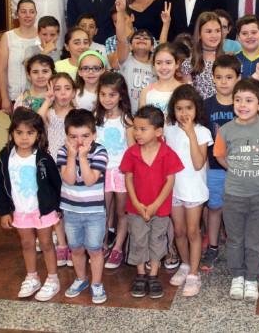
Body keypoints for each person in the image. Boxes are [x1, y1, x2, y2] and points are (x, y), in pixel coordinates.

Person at [213, 78, 259, 303]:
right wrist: (235, 168)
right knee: (235, 239)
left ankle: (252, 278)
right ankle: (237, 276)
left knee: (254, 239)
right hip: (234, 194)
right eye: (238, 99)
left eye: (249, 100)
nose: (243, 104)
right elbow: (219, 155)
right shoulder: (227, 130)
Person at [0, 108, 62, 301]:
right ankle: (32, 277)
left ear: (38, 134)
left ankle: (53, 279)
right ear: (12, 133)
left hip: (43, 210)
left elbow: (56, 184)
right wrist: (4, 212)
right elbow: (0, 186)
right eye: (19, 133)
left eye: (30, 133)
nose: (24, 137)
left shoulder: (43, 158)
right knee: (27, 243)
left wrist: (58, 207)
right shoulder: (5, 157)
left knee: (47, 244)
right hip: (20, 211)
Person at [119, 105, 184, 299]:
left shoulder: (167, 153)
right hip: (136, 207)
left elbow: (170, 181)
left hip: (160, 208)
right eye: (135, 129)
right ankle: (140, 274)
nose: (137, 133)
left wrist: (155, 205)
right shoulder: (131, 153)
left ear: (158, 131)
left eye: (142, 129)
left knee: (157, 240)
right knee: (138, 239)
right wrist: (137, 204)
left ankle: (154, 275)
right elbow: (128, 179)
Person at [165, 85, 213, 297]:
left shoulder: (202, 132)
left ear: (197, 109)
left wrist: (192, 134)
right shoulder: (168, 129)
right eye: (179, 108)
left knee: (193, 232)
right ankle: (185, 265)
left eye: (188, 108)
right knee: (179, 231)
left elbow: (197, 163)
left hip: (194, 189)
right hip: (174, 188)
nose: (184, 113)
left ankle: (194, 274)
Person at [57, 109, 109, 304]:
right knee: (76, 249)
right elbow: (69, 179)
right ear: (66, 137)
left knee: (94, 250)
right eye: (73, 137)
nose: (79, 142)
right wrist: (72, 157)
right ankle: (81, 279)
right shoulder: (63, 152)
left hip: (94, 212)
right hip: (71, 211)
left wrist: (83, 157)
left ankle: (96, 283)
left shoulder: (100, 151)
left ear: (94, 135)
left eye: (85, 136)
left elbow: (89, 180)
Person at [200, 55, 241, 270]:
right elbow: (202, 139)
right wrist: (205, 166)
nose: (224, 81)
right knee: (215, 208)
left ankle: (237, 248)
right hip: (214, 168)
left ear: (238, 78)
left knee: (236, 210)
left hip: (241, 168)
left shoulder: (243, 105)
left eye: (229, 77)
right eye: (219, 77)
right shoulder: (205, 105)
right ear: (212, 78)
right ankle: (213, 247)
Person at [94, 72, 134, 269]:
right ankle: (102, 244)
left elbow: (133, 149)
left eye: (112, 94)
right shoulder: (96, 118)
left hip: (121, 172)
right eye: (103, 94)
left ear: (121, 96)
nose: (107, 99)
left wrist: (129, 173)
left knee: (121, 211)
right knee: (103, 210)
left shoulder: (127, 120)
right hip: (101, 172)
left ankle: (118, 247)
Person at [38, 72, 76, 266]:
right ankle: (62, 245)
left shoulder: (76, 114)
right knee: (56, 208)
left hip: (70, 165)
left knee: (69, 206)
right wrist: (47, 100)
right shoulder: (49, 113)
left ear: (74, 92)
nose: (62, 93)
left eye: (67, 88)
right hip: (52, 166)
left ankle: (73, 245)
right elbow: (35, 122)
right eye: (58, 89)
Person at [111, 0, 157, 112]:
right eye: (137, 37)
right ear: (130, 46)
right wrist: (121, 12)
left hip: (150, 115)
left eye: (146, 38)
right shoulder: (127, 60)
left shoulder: (157, 66)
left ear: (152, 47)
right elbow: (121, 39)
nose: (141, 38)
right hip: (127, 113)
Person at [0, 0, 43, 116]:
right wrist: (5, 98)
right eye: (23, 12)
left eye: (32, 12)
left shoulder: (43, 36)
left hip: (40, 96)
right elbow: (2, 69)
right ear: (17, 14)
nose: (28, 15)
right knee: (20, 132)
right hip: (15, 96)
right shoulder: (8, 37)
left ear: (36, 14)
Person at [181, 11, 225, 99]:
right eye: (209, 31)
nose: (214, 35)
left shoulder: (229, 60)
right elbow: (189, 98)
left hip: (224, 111)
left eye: (217, 31)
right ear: (199, 34)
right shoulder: (189, 63)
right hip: (201, 110)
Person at [139, 43, 182, 115]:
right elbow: (141, 121)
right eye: (159, 63)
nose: (164, 67)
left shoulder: (184, 91)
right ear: (153, 65)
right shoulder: (146, 91)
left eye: (168, 63)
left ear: (177, 64)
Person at [234, 15, 259, 79]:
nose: (249, 37)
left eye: (254, 32)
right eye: (244, 33)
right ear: (238, 37)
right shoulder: (232, 60)